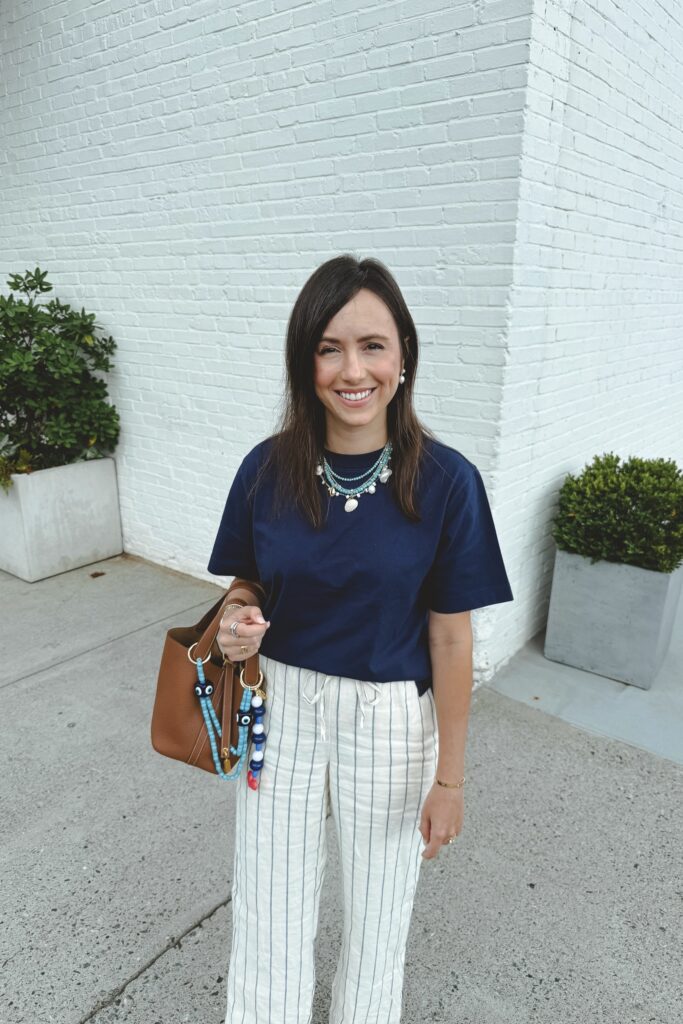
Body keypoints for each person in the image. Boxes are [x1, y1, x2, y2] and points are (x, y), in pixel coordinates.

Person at [207, 254, 513, 1024]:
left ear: (403, 356)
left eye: (372, 345)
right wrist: (236, 620)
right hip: (279, 705)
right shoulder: (265, 470)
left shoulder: (446, 481)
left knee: (380, 914)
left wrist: (450, 779)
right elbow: (243, 582)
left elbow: (450, 642)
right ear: (304, 360)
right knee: (268, 902)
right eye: (329, 347)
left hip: (387, 718)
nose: (353, 370)